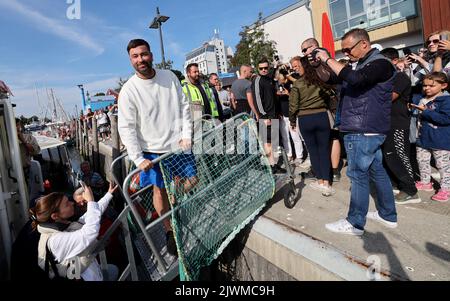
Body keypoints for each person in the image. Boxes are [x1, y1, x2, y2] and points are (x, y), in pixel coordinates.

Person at [315, 28, 398, 235]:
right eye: (342, 51)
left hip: (364, 128)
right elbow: (333, 79)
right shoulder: (361, 65)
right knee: (377, 171)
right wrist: (317, 63)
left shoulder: (380, 63)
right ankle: (388, 215)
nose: (346, 54)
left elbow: (356, 80)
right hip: (364, 127)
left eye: (348, 49)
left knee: (357, 174)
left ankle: (355, 223)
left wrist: (327, 59)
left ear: (364, 44)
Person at [118, 39, 193, 256]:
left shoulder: (169, 76)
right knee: (158, 190)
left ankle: (175, 199)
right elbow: (126, 127)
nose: (140, 59)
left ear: (151, 55)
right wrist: (138, 158)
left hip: (178, 144)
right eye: (135, 56)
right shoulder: (129, 90)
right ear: (131, 60)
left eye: (144, 54)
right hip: (151, 149)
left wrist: (186, 135)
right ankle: (170, 231)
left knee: (193, 180)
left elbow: (184, 107)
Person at [30, 183, 119, 281]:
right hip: (86, 278)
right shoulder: (55, 240)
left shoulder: (63, 226)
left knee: (113, 270)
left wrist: (108, 194)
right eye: (67, 204)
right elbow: (89, 233)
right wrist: (90, 200)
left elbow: (91, 214)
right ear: (55, 216)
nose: (72, 203)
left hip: (93, 273)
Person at [289, 57, 334, 196]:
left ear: (302, 67)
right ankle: (327, 182)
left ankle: (320, 181)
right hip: (321, 116)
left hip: (305, 118)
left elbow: (293, 105)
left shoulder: (298, 84)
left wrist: (292, 121)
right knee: (324, 150)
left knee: (313, 151)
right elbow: (330, 94)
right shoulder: (319, 80)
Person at [380, 48, 420, 204]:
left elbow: (388, 98)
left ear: (395, 61)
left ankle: (411, 190)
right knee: (389, 157)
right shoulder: (385, 80)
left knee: (399, 156)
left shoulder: (401, 77)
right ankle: (399, 184)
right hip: (385, 124)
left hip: (397, 124)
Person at [412, 72, 450, 202]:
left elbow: (445, 119)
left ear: (443, 85)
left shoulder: (446, 100)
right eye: (424, 85)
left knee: (442, 165)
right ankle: (425, 182)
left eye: (431, 86)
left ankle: (446, 188)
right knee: (422, 161)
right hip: (422, 138)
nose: (427, 88)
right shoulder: (422, 99)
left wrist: (426, 111)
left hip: (440, 140)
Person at [252, 58, 286, 174]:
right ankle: (271, 166)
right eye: (261, 68)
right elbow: (257, 100)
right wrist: (264, 116)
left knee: (274, 142)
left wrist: (278, 112)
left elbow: (273, 96)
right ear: (258, 69)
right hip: (265, 117)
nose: (264, 70)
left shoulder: (269, 79)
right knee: (268, 143)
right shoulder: (257, 80)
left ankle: (275, 165)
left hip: (274, 115)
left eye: (266, 68)